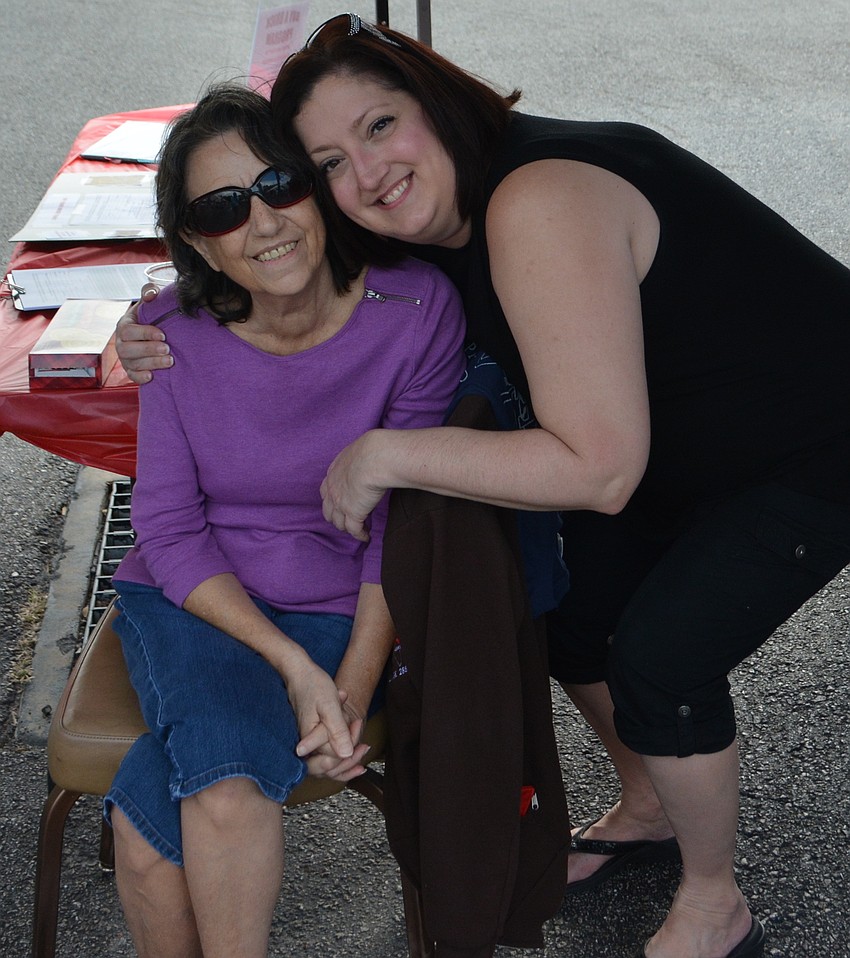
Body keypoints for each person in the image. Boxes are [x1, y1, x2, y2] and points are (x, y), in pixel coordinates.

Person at [116, 14, 850, 958]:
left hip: (814, 441)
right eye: (331, 161)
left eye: (380, 127)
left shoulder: (532, 200)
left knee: (663, 657)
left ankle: (715, 901)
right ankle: (648, 802)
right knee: (575, 612)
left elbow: (601, 469)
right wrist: (144, 334)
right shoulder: (419, 238)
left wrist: (383, 454)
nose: (367, 174)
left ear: (438, 103)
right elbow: (240, 297)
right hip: (685, 437)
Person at [106, 79, 465, 958]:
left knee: (149, 836)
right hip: (199, 604)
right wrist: (291, 667)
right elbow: (168, 526)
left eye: (278, 186)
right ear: (198, 242)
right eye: (225, 208)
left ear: (315, 187)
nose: (263, 223)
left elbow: (401, 525)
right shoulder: (168, 333)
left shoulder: (414, 312)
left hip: (351, 609)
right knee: (224, 789)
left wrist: (348, 678)